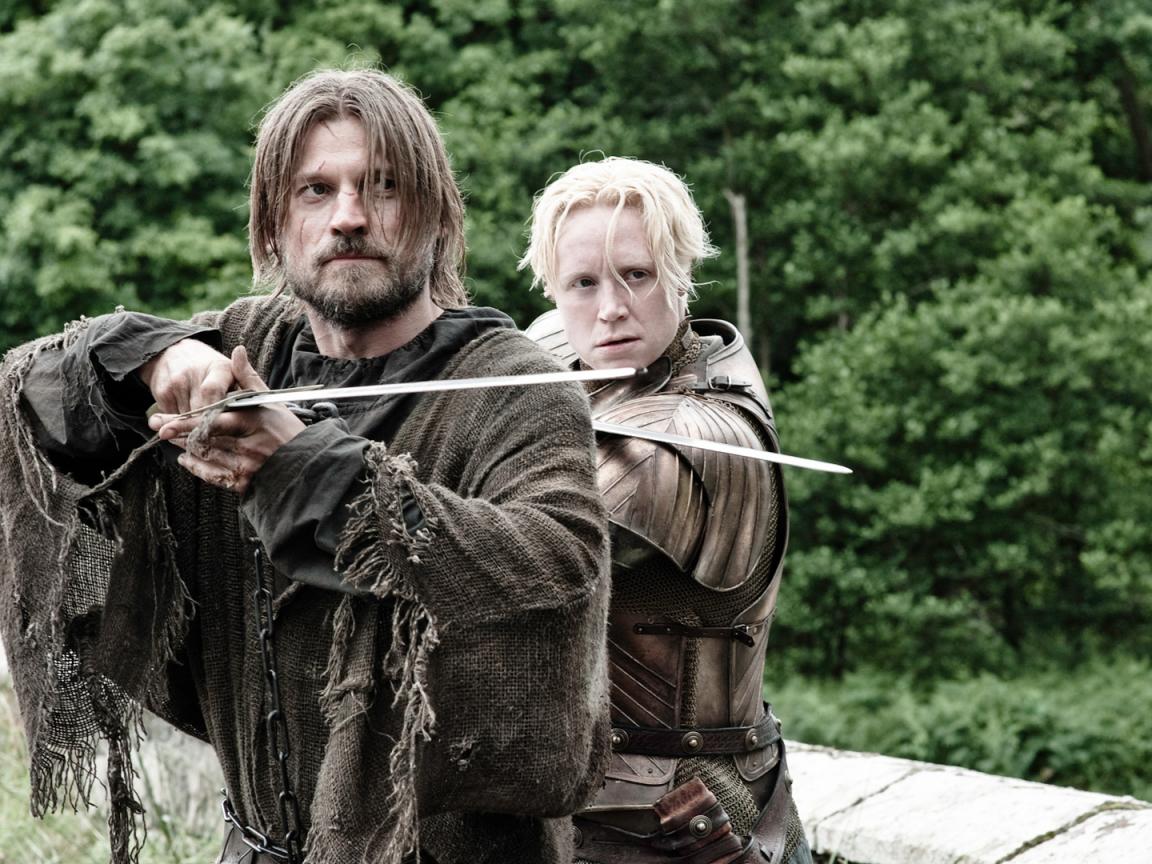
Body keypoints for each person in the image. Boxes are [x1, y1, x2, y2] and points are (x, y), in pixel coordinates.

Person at [0, 69, 612, 864]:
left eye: (383, 186)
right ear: (273, 222)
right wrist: (154, 355)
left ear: (435, 212)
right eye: (316, 190)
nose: (349, 216)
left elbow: (558, 567)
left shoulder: (516, 386)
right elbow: (32, 392)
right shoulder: (246, 342)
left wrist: (307, 468)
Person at [520, 157, 813, 864]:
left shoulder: (692, 439)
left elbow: (514, 556)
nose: (610, 308)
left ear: (682, 271)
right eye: (583, 283)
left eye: (638, 275)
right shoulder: (562, 348)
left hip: (681, 814)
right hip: (579, 800)